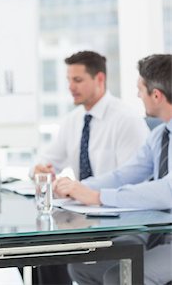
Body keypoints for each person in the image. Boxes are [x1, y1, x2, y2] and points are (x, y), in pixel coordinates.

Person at [55, 54, 172, 285]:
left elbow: (167, 190)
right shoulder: (160, 135)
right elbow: (125, 174)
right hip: (156, 231)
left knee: (119, 276)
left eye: (141, 89)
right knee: (83, 267)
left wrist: (99, 197)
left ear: (156, 95)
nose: (138, 95)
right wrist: (78, 188)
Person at [32, 51, 149, 181]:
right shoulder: (72, 120)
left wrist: (83, 190)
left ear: (100, 79)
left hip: (111, 200)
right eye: (69, 80)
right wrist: (39, 169)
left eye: (77, 80)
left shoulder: (127, 120)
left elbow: (132, 180)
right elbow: (48, 160)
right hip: (79, 200)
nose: (71, 87)